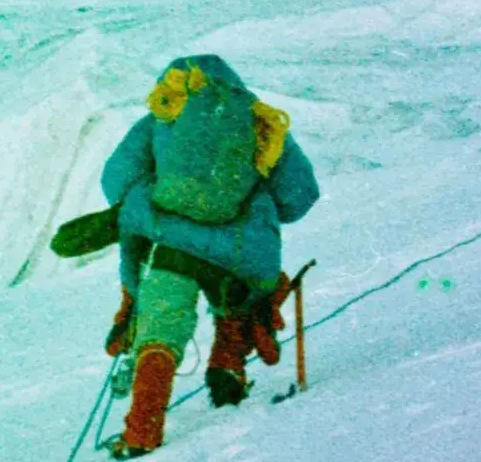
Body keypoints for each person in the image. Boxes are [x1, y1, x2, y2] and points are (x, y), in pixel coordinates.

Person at [100, 54, 319, 459]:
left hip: (171, 243)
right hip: (239, 253)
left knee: (160, 334)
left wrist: (156, 196)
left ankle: (141, 432)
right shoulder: (258, 122)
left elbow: (116, 179)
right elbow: (299, 196)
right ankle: (228, 372)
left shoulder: (160, 119)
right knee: (236, 312)